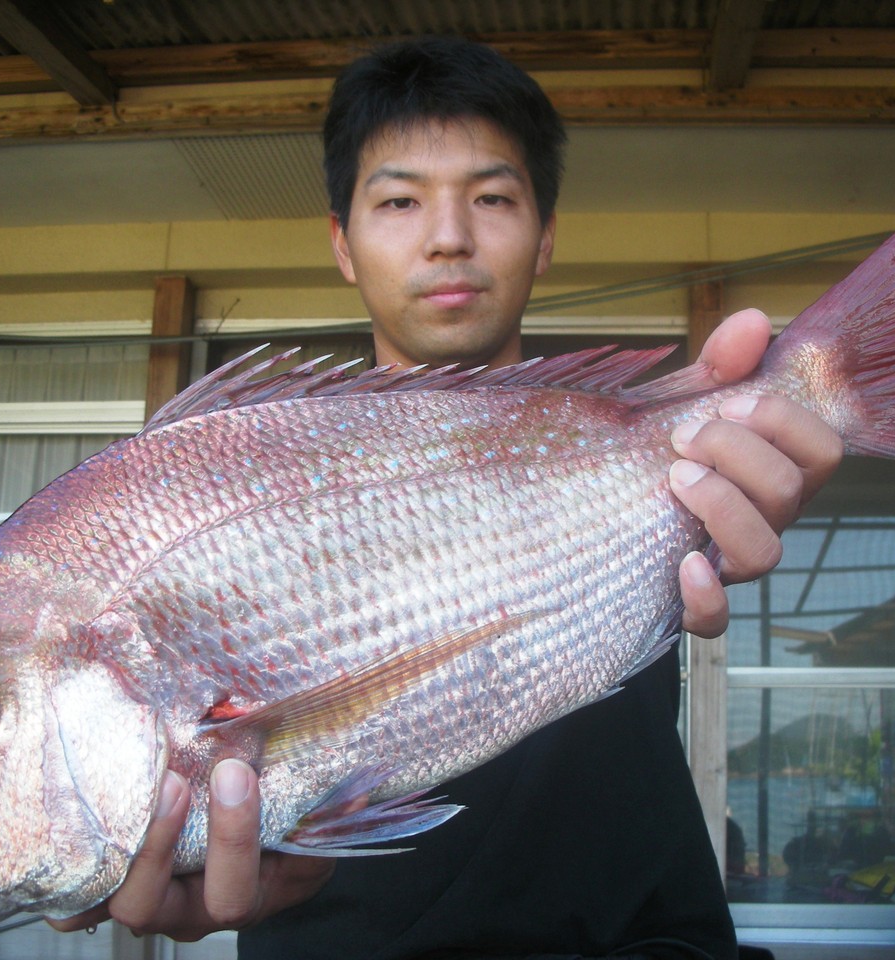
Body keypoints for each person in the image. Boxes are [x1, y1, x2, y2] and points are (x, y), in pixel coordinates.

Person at [52, 35, 842, 957]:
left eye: (493, 197)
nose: (449, 235)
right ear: (343, 245)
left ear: (546, 237)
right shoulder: (244, 477)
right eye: (398, 200)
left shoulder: (645, 447)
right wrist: (162, 824)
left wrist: (740, 483)